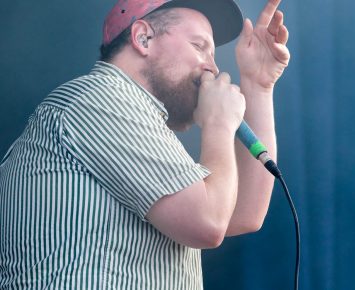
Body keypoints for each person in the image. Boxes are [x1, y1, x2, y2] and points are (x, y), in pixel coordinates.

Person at [0, 0, 289, 289]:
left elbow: (242, 214)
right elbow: (209, 223)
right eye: (200, 46)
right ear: (143, 38)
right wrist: (219, 123)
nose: (212, 69)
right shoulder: (101, 100)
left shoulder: (140, 123)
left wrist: (258, 84)